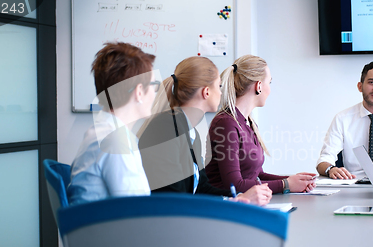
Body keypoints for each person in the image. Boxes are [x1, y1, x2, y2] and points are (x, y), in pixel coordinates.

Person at [139, 56, 272, 205]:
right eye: (219, 86)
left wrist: (238, 198)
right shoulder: (165, 128)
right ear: (206, 92)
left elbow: (201, 188)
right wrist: (234, 202)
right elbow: (173, 198)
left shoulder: (190, 132)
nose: (222, 93)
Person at [205, 55, 316, 194]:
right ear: (258, 86)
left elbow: (256, 175)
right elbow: (235, 185)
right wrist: (285, 184)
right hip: (223, 205)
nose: (269, 88)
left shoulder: (248, 123)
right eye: (269, 82)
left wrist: (293, 180)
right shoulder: (226, 124)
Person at [67, 42, 157, 205]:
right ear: (138, 92)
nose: (155, 93)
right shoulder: (114, 141)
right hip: (110, 229)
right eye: (153, 86)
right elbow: (135, 211)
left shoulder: (107, 130)